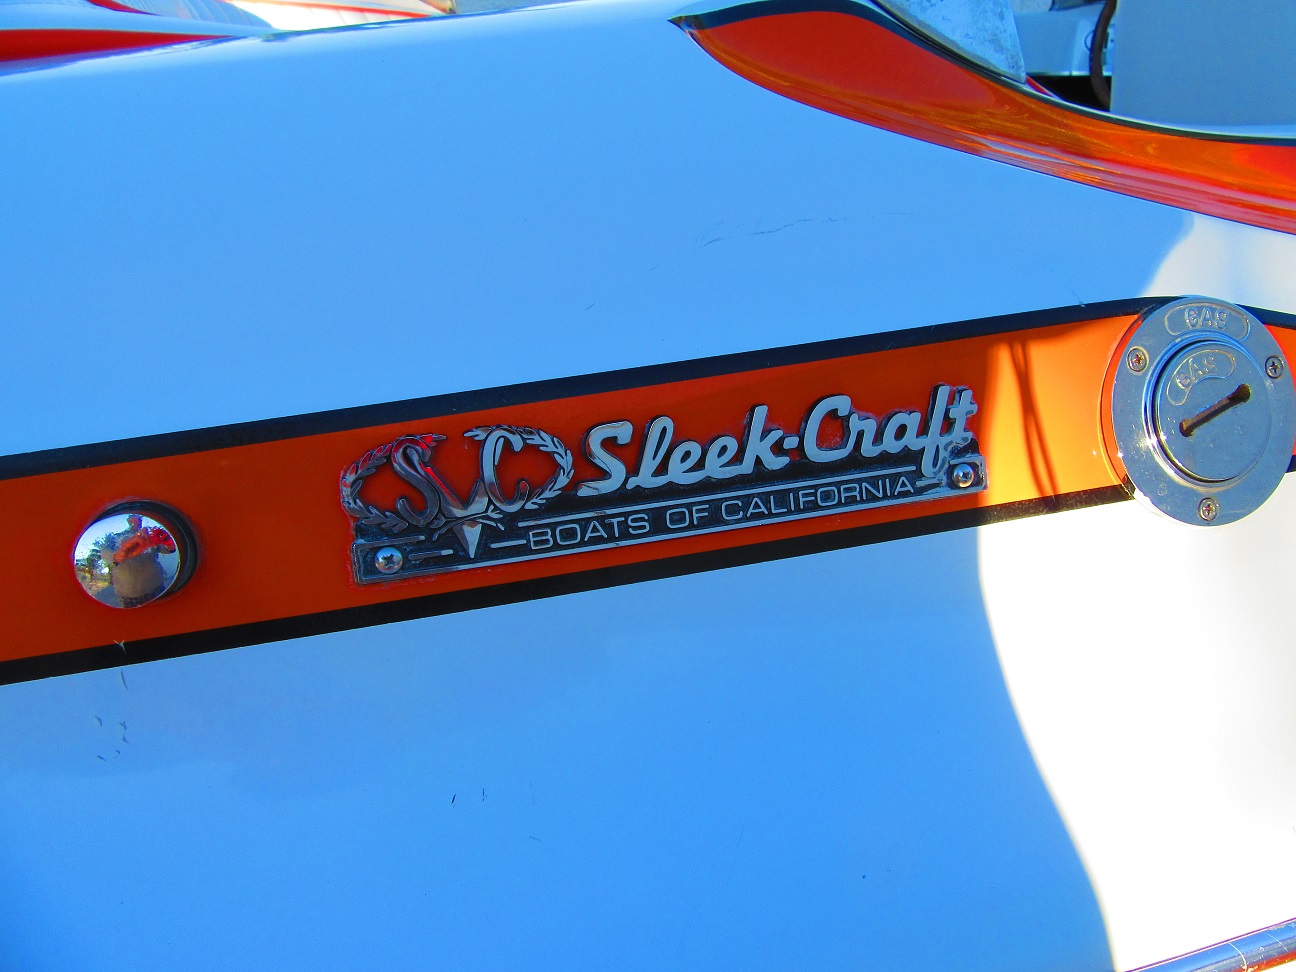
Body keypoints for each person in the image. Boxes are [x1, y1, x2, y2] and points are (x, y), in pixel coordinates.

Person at [110, 514, 177, 607]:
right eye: (133, 518)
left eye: (140, 519)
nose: (137, 521)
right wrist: (121, 553)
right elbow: (105, 557)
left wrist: (168, 541)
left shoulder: (149, 537)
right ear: (128, 520)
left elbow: (168, 550)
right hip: (129, 593)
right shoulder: (117, 537)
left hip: (156, 587)